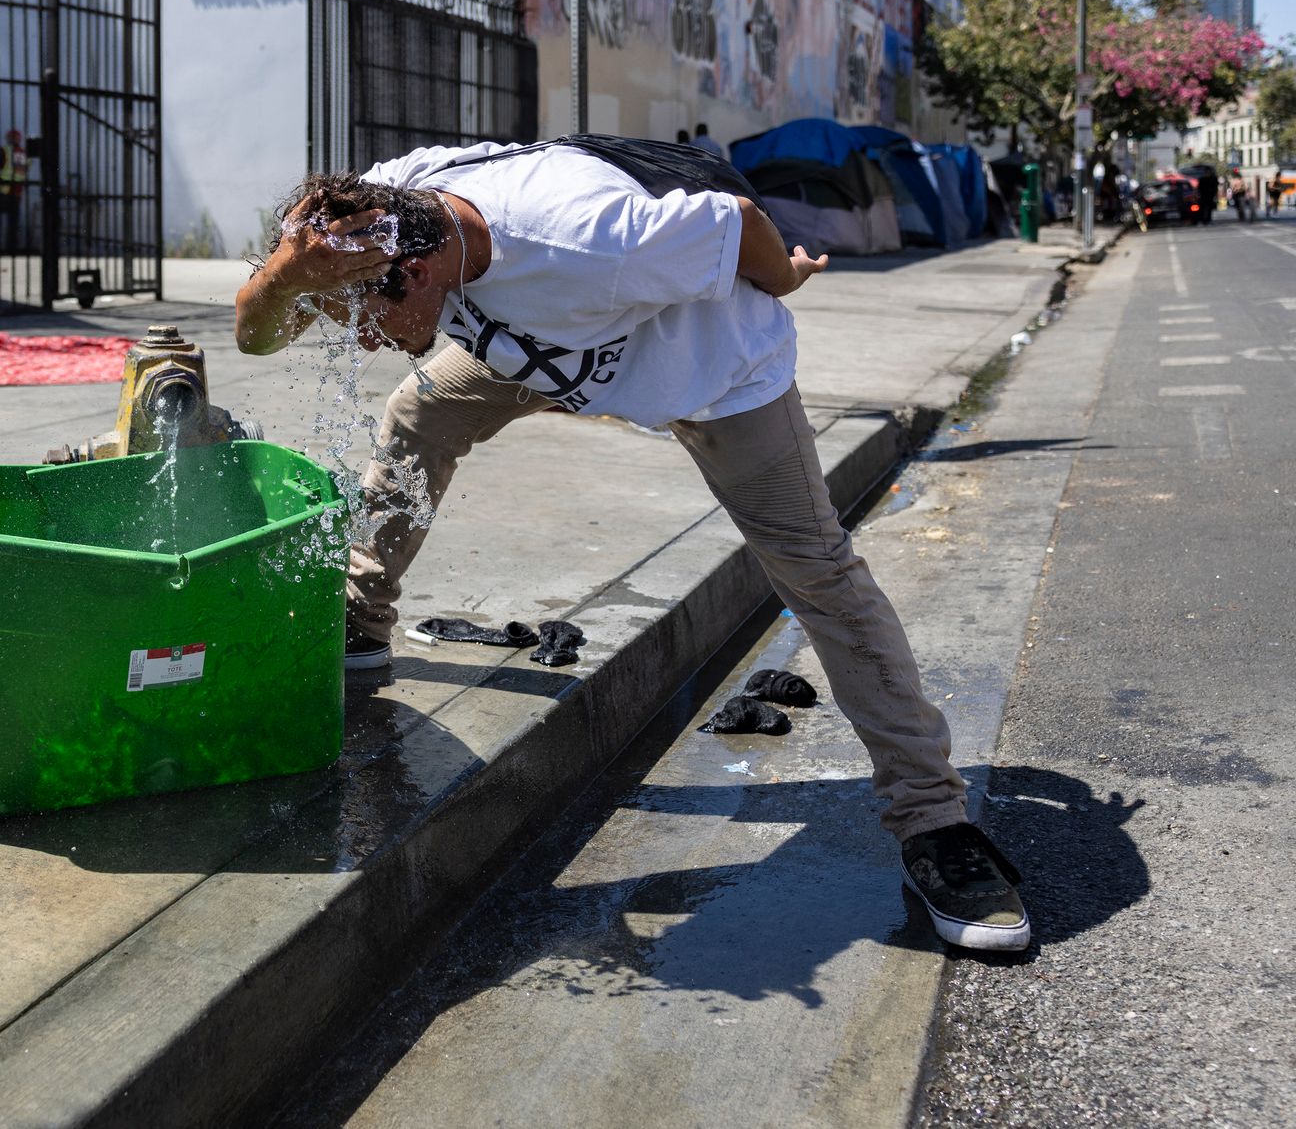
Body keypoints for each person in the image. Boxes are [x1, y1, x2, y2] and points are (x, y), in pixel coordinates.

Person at [234, 136, 1033, 953]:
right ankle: (360, 622)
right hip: (543, 352)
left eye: (368, 313)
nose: (363, 338)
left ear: (425, 268)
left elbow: (742, 224)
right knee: (417, 412)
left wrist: (785, 277)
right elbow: (250, 336)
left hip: (716, 377)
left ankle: (934, 820)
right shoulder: (385, 208)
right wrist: (281, 275)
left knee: (819, 573)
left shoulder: (587, 236)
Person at [0, 128, 31, 250]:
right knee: (13, 222)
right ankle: (12, 247)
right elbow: (25, 170)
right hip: (17, 192)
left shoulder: (4, 150)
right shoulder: (25, 154)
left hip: (1, 190)